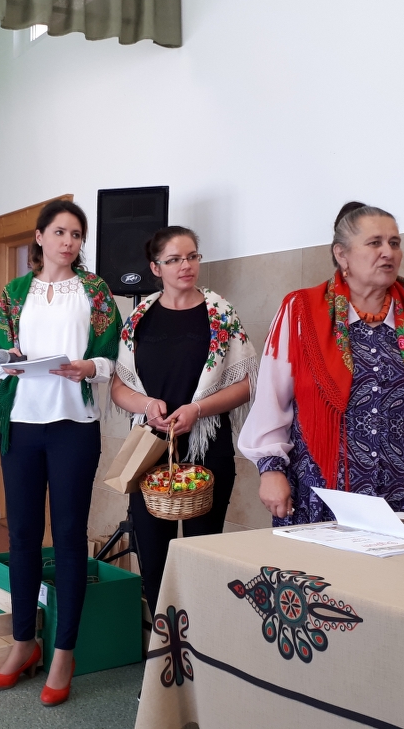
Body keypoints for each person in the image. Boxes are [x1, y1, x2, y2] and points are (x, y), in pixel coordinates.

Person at [238, 202, 404, 525]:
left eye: (394, 243)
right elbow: (272, 397)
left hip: (400, 497)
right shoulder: (301, 311)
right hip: (321, 495)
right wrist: (270, 470)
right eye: (375, 243)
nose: (388, 252)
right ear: (342, 254)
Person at [0, 199, 121, 706]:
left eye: (76, 234)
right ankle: (23, 644)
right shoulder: (15, 292)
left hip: (73, 427)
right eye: (60, 232)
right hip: (21, 424)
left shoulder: (96, 291)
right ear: (39, 237)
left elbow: (113, 356)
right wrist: (8, 358)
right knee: (21, 535)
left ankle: (64, 654)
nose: (68, 241)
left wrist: (90, 368)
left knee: (67, 537)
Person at [110, 226, 258, 610]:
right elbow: (119, 387)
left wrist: (198, 409)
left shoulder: (220, 314)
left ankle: (198, 640)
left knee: (200, 559)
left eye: (192, 256)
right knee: (153, 558)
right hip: (151, 450)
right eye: (174, 259)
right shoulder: (138, 319)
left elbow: (246, 384)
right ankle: (166, 639)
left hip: (208, 447)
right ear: (155, 267)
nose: (186, 265)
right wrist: (146, 406)